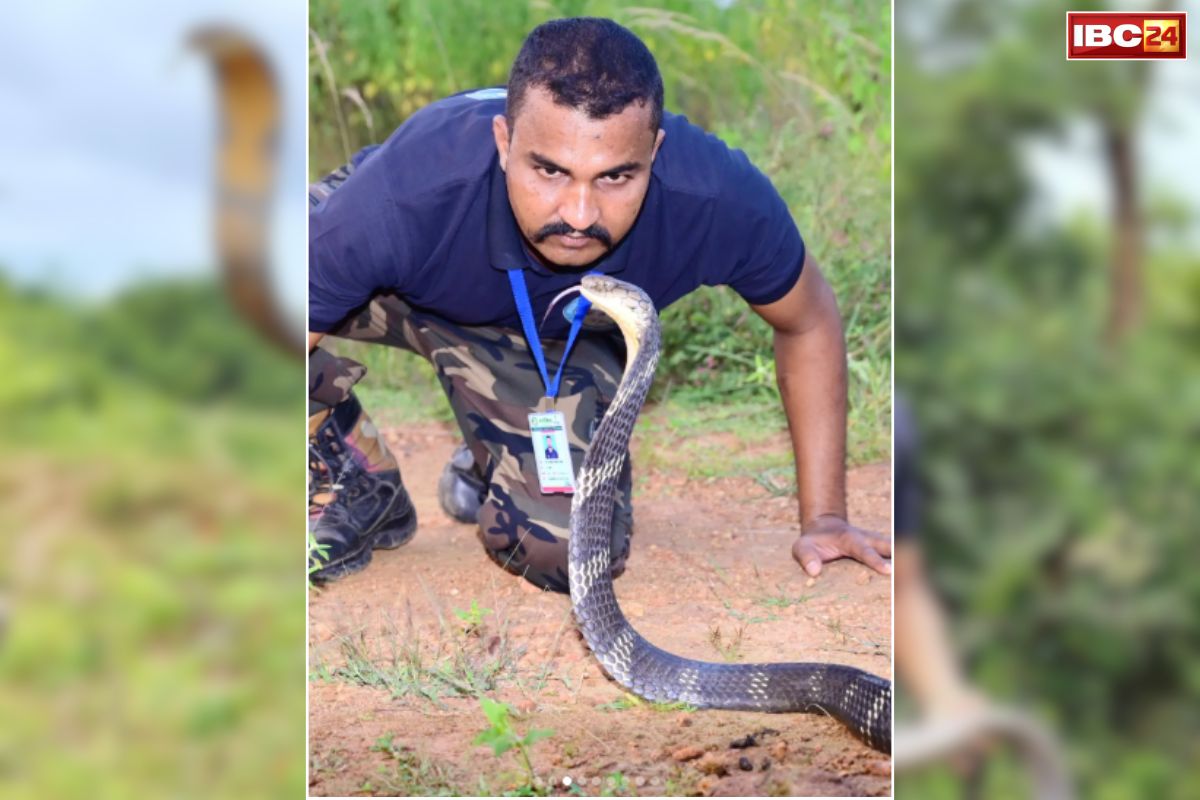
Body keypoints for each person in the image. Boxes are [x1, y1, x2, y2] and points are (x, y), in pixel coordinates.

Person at [307, 17, 892, 589]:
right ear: (504, 141)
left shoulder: (714, 197)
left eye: (615, 177)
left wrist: (826, 518)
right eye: (550, 171)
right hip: (392, 287)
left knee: (566, 550)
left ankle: (498, 444)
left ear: (655, 153)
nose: (580, 214)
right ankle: (356, 474)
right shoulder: (408, 194)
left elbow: (808, 321)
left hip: (556, 342)